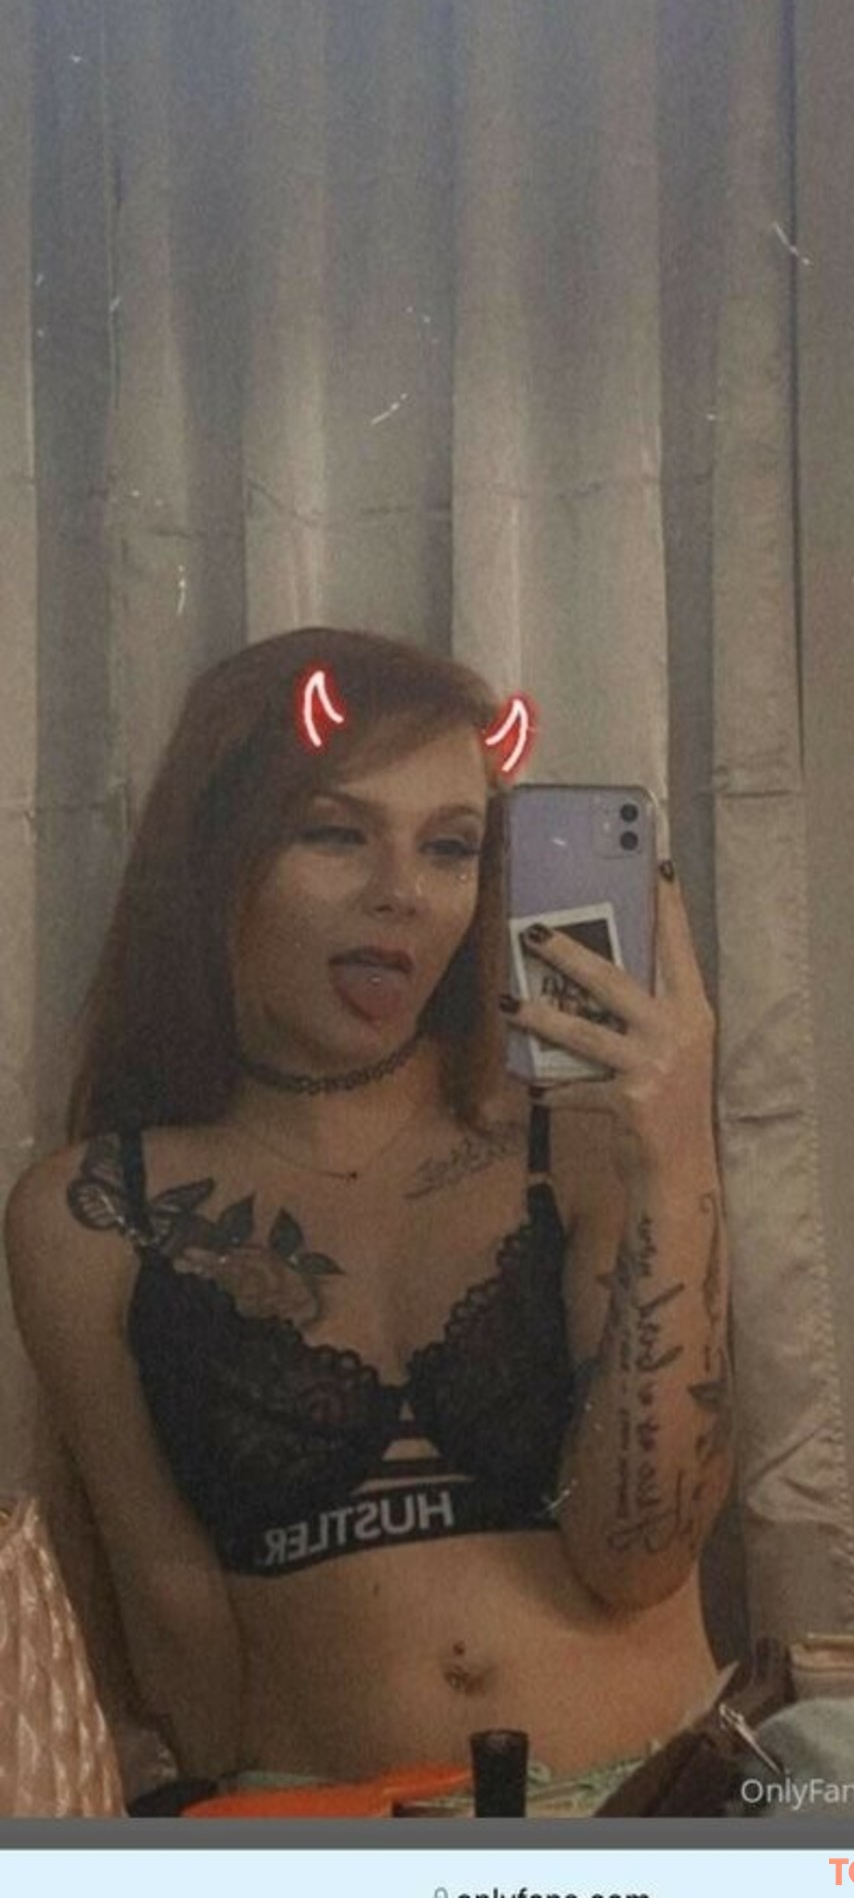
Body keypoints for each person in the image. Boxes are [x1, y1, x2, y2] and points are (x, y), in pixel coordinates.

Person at [4, 626, 734, 1806]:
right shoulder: (92, 1214)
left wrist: (679, 1149)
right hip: (325, 1821)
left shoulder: (580, 1138)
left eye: (450, 846)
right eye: (336, 833)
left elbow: (640, 1559)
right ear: (217, 858)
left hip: (646, 1801)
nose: (402, 891)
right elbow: (181, 1646)